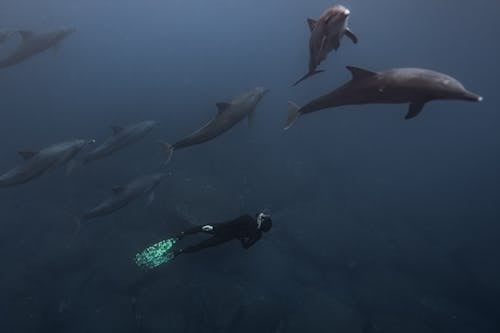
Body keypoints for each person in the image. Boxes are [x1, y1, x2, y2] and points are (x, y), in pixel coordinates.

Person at [172, 212, 272, 257]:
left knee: (200, 228)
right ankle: (180, 251)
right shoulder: (257, 235)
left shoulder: (247, 218)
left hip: (221, 229)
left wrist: (214, 228)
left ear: (261, 221)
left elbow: (229, 223)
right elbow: (246, 246)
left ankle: (182, 234)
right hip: (226, 238)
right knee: (202, 245)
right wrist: (240, 237)